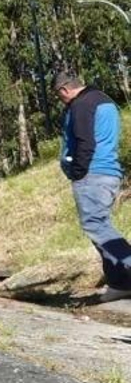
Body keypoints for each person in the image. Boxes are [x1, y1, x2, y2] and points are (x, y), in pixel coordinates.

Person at [54, 67, 131, 300]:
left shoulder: (81, 105)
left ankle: (126, 267)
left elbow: (84, 141)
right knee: (100, 227)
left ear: (65, 90)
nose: (62, 101)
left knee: (96, 225)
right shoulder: (104, 101)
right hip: (109, 172)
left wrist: (78, 171)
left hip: (92, 174)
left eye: (60, 96)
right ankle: (121, 283)